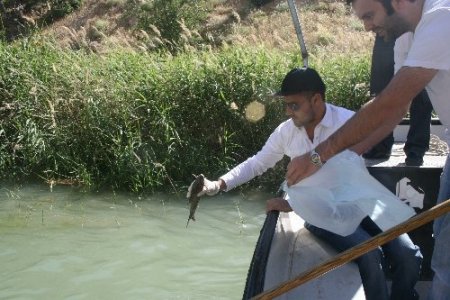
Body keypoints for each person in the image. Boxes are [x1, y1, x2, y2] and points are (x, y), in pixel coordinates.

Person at [187, 67, 422, 300]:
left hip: (360, 199)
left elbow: (391, 116)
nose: (288, 112)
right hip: (319, 210)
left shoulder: (348, 121)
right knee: (370, 253)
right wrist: (217, 184)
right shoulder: (286, 133)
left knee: (409, 255)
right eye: (286, 105)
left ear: (316, 99)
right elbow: (257, 163)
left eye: (294, 105)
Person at [285, 0, 450, 298]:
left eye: (370, 16)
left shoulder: (442, 19)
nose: (367, 26)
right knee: (445, 242)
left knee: (444, 251)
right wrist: (348, 154)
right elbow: (395, 109)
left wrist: (318, 155)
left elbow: (387, 102)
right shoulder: (406, 41)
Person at [363, 34, 433, 166]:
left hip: (416, 31)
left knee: (420, 92)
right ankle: (380, 145)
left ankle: (416, 150)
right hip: (387, 32)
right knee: (382, 92)